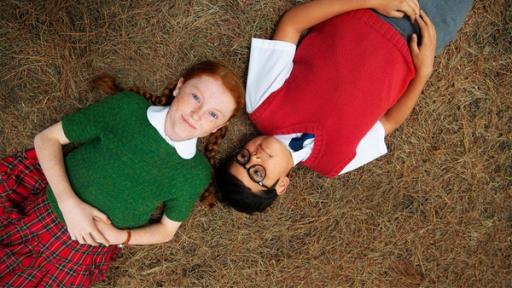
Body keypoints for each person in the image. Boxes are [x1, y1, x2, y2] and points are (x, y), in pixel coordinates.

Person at [214, 0, 474, 214]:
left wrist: (373, 2)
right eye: (258, 173)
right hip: (421, 35)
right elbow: (390, 122)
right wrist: (424, 72)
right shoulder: (334, 163)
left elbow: (292, 23)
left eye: (243, 158)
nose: (255, 157)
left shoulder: (262, 104)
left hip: (367, 9)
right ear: (281, 185)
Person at [0, 60, 244, 287]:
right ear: (179, 87)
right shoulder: (128, 108)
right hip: (42, 206)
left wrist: (121, 236)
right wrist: (68, 204)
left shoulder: (195, 173)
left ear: (219, 127)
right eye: (195, 97)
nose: (197, 114)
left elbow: (167, 231)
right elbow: (46, 139)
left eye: (213, 114)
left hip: (80, 250)